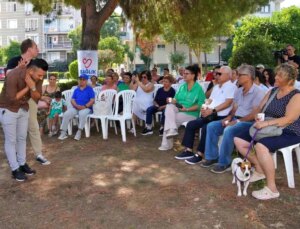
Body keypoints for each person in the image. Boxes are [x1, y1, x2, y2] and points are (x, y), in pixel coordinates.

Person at [234, 63, 300, 200]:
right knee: (239, 140)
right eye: (276, 74)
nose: (275, 77)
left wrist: (266, 123)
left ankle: (272, 189)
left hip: (289, 131)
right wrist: (256, 118)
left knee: (261, 146)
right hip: (268, 127)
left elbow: (289, 119)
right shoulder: (273, 91)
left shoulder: (296, 96)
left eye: (280, 76)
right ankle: (259, 169)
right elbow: (260, 108)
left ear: (290, 80)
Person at [203, 64, 265, 173]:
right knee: (212, 126)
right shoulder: (239, 91)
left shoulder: (258, 92)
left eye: (241, 75)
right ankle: (212, 157)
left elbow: (254, 114)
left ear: (249, 76)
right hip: (236, 119)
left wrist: (237, 121)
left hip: (250, 123)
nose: (237, 77)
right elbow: (234, 109)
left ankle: (224, 162)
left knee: (229, 129)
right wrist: (228, 118)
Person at [175, 66, 237, 162]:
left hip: (220, 116)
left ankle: (200, 154)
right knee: (191, 124)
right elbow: (209, 100)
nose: (216, 75)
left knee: (206, 127)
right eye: (216, 73)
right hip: (210, 114)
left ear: (228, 76)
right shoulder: (216, 87)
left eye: (219, 74)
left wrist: (212, 110)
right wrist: (205, 107)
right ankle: (188, 150)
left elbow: (228, 103)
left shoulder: (231, 87)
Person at [0, 58, 48, 181]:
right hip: (8, 109)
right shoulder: (13, 75)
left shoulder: (37, 78)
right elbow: (12, 99)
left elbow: (37, 96)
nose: (41, 78)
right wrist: (28, 88)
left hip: (23, 108)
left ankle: (21, 164)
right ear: (31, 70)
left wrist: (32, 87)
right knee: (11, 140)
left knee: (22, 138)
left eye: (43, 76)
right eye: (40, 75)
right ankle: (15, 169)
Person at [6, 38, 50, 165]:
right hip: (15, 99)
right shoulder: (14, 61)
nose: (38, 50)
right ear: (29, 49)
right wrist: (22, 71)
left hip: (30, 100)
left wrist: (39, 97)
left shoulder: (38, 64)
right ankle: (14, 157)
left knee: (33, 127)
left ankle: (38, 154)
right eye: (36, 47)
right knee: (15, 130)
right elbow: (9, 76)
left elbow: (37, 85)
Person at [158, 65, 205, 151]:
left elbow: (200, 105)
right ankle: (172, 130)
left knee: (169, 118)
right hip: (179, 108)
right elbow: (176, 99)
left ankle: (166, 144)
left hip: (191, 113)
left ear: (193, 75)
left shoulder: (199, 89)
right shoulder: (182, 87)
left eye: (187, 73)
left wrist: (187, 109)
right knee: (169, 106)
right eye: (184, 73)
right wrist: (172, 100)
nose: (184, 75)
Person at [58, 74, 95, 141]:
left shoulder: (90, 89)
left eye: (83, 79)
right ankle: (63, 132)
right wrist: (76, 106)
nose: (81, 81)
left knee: (82, 114)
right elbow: (72, 100)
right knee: (66, 114)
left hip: (86, 108)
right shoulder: (76, 90)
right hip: (76, 107)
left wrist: (84, 106)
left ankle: (79, 131)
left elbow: (92, 100)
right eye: (80, 79)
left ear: (86, 81)